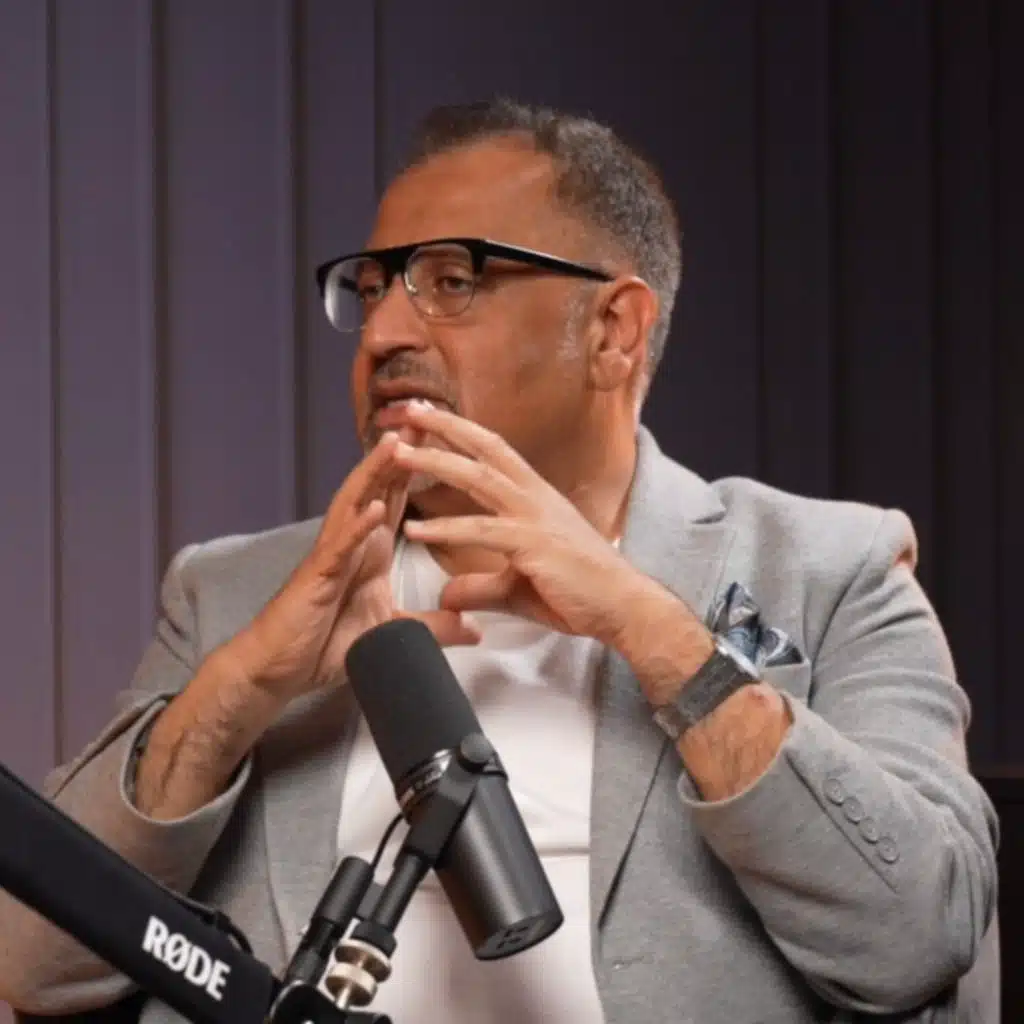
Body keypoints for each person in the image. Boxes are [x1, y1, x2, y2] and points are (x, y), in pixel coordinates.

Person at [0, 99, 1000, 1024]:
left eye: (452, 282)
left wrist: (647, 628)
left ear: (613, 331)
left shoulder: (831, 567)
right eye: (372, 289)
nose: (383, 331)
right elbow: (34, 963)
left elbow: (918, 936)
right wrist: (247, 687)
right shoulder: (230, 595)